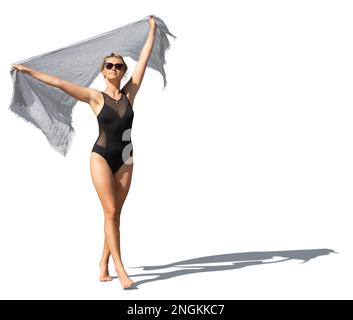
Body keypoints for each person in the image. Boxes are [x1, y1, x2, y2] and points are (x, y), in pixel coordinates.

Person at [11, 16, 157, 289]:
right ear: (103, 71)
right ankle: (120, 269)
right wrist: (28, 71)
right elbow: (57, 82)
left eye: (119, 65)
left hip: (127, 158)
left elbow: (145, 60)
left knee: (113, 214)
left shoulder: (130, 93)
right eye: (109, 65)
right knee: (111, 211)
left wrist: (151, 31)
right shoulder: (94, 96)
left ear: (124, 71)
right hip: (101, 156)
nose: (114, 68)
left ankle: (103, 261)